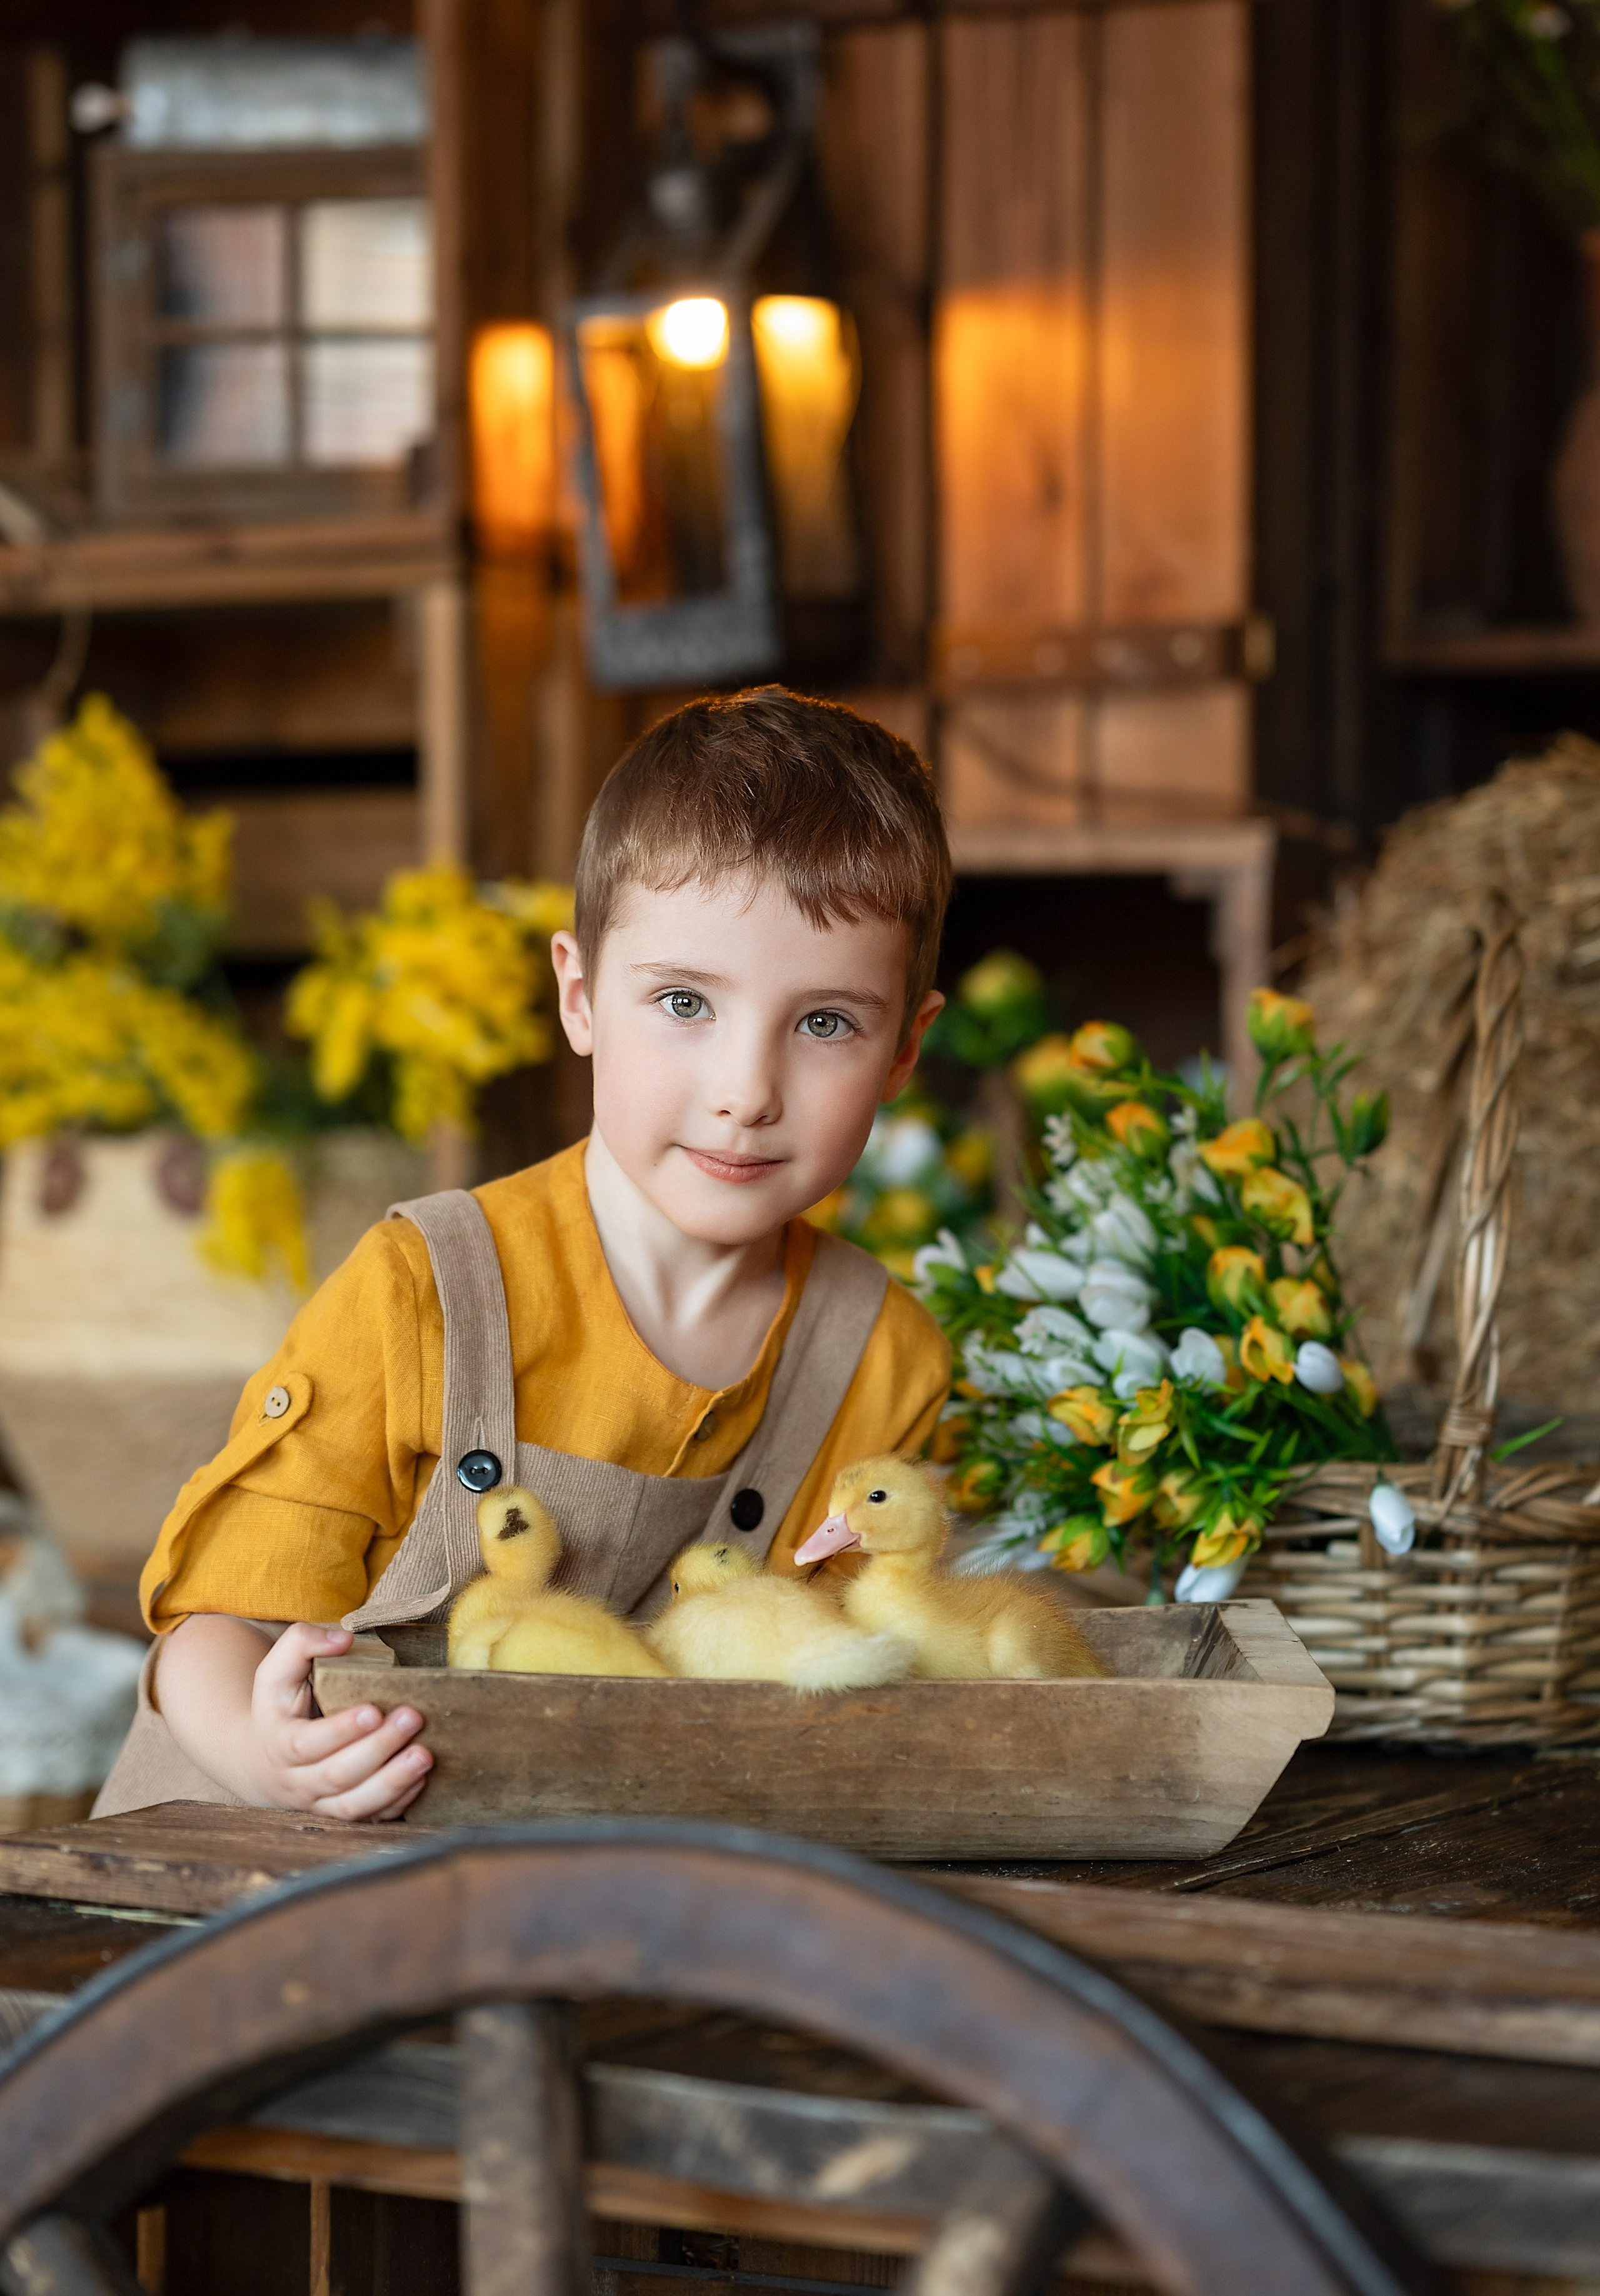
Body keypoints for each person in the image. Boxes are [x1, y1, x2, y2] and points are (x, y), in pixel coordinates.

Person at [96, 687, 953, 1821]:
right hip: (249, 1880)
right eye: (686, 1001)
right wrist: (266, 1760)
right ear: (582, 994)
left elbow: (858, 1679)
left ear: (905, 1049)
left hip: (581, 1908)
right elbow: (208, 1628)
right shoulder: (428, 1291)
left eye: (827, 1023)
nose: (747, 1091)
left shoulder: (884, 1356)